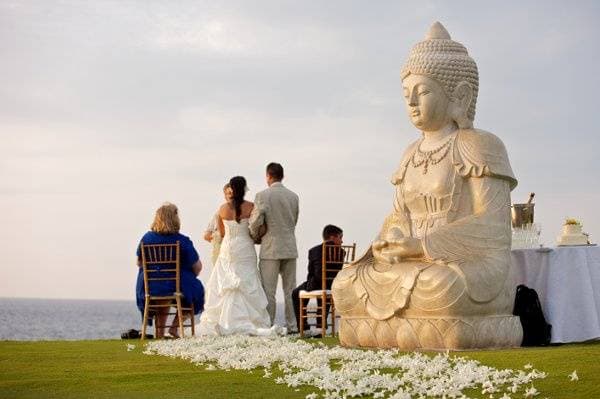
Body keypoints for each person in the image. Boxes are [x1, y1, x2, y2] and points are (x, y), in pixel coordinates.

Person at [331, 22, 522, 349]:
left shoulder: (479, 144)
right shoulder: (409, 153)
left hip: (466, 262)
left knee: (441, 287)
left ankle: (428, 330)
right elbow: (397, 218)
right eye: (407, 95)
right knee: (345, 284)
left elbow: (494, 228)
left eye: (423, 92)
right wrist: (388, 241)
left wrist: (423, 245)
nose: (412, 104)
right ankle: (413, 329)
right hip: (410, 261)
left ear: (458, 95)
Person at [199, 176, 282, 336]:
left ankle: (224, 321)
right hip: (245, 247)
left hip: (228, 248)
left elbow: (222, 234)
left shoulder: (222, 209)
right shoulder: (251, 207)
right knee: (247, 280)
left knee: (226, 283)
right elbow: (257, 228)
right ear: (243, 189)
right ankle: (251, 321)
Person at [136, 202, 205, 338]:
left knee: (164, 292)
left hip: (150, 286)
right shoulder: (182, 240)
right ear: (175, 219)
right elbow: (197, 267)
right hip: (175, 285)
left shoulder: (146, 239)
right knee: (195, 291)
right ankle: (174, 327)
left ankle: (160, 333)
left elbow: (139, 263)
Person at [249, 162, 300, 332]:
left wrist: (256, 235)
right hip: (290, 246)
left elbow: (255, 221)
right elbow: (294, 220)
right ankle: (292, 326)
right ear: (282, 176)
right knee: (290, 289)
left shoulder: (262, 195)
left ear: (268, 176)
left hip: (270, 247)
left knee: (268, 291)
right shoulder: (294, 196)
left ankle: (268, 324)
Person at [292, 225, 344, 335]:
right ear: (332, 237)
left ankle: (304, 327)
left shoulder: (314, 251)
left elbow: (311, 271)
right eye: (340, 237)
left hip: (316, 282)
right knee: (326, 290)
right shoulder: (342, 252)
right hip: (332, 285)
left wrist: (310, 283)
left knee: (296, 292)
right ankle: (320, 326)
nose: (342, 241)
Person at [203, 183, 232, 266]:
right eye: (228, 194)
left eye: (233, 193)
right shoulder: (218, 213)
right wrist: (217, 236)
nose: (231, 196)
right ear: (225, 196)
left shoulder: (243, 213)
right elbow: (206, 235)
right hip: (220, 253)